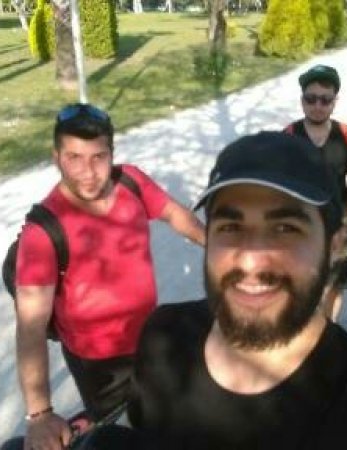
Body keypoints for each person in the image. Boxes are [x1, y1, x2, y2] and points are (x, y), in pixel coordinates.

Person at [126, 131, 347, 450]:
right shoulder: (163, 335)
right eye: (230, 227)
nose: (250, 260)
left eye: (286, 228)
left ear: (334, 245)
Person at [12, 103, 205, 450]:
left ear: (112, 154)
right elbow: (30, 327)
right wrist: (39, 414)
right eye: (74, 157)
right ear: (56, 157)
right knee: (125, 434)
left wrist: (218, 246)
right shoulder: (42, 231)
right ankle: (94, 425)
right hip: (99, 364)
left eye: (98, 157)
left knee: (170, 412)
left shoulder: (131, 181)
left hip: (149, 335)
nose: (88, 172)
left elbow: (176, 214)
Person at [284, 64, 347, 323]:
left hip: (339, 226)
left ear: (335, 101)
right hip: (299, 228)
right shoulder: (288, 136)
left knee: (334, 286)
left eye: (325, 100)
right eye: (311, 99)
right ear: (302, 100)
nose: (317, 105)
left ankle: (327, 331)